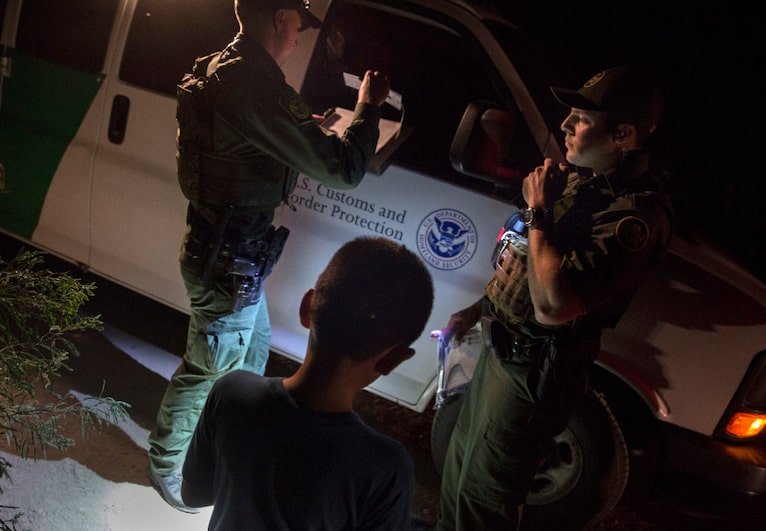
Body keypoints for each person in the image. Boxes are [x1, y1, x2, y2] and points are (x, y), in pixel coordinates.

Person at [147, 0, 391, 512]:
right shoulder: (253, 83)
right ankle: (168, 466)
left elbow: (246, 143)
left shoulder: (228, 67)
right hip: (229, 260)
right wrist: (367, 107)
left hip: (234, 256)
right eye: (299, 25)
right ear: (280, 18)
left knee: (250, 357)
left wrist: (305, 130)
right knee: (210, 368)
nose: (299, 36)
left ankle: (225, 451)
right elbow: (344, 169)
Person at [435, 64, 674, 530]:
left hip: (533, 372)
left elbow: (554, 306)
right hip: (502, 353)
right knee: (459, 478)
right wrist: (479, 309)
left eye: (581, 119)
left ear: (623, 135)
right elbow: (526, 261)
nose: (564, 124)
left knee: (484, 503)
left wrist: (540, 210)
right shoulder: (583, 181)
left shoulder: (633, 216)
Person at [180, 236, 435, 530]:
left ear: (306, 307)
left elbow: (193, 494)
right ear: (394, 359)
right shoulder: (384, 467)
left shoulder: (232, 392)